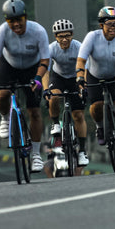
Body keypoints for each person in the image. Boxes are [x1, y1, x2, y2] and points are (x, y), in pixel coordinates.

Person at [0, 0, 49, 172]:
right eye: (11, 21)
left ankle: (35, 154)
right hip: (9, 65)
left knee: (34, 111)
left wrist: (38, 78)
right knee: (2, 95)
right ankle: (5, 119)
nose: (16, 24)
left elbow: (45, 60)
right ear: (7, 21)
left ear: (25, 17)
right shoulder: (2, 31)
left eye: (19, 19)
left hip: (32, 68)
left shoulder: (38, 31)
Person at [77, 6, 115, 153]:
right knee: (96, 106)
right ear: (101, 25)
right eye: (109, 23)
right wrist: (79, 77)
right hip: (94, 75)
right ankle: (100, 127)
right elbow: (81, 60)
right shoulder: (92, 37)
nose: (113, 27)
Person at [47, 19, 89, 166]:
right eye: (60, 36)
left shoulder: (79, 47)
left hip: (75, 79)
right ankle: (55, 124)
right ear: (56, 37)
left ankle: (82, 151)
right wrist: (46, 89)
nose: (64, 39)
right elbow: (46, 69)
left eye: (67, 35)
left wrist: (83, 87)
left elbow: (85, 68)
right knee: (54, 97)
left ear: (72, 35)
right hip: (58, 77)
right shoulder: (51, 48)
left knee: (78, 115)